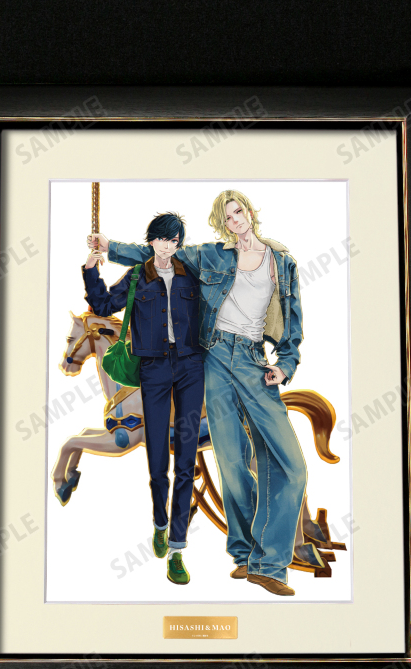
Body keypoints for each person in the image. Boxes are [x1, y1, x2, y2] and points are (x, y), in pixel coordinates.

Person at [89, 190, 324, 596]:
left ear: (250, 212)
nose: (235, 220)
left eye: (238, 212)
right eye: (226, 217)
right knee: (231, 462)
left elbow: (293, 321)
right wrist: (109, 248)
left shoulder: (281, 261)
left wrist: (285, 364)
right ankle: (246, 555)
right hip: (212, 358)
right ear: (222, 224)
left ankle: (270, 562)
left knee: (292, 466)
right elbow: (156, 255)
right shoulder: (212, 256)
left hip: (252, 360)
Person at [83, 212, 203, 586]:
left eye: (175, 240)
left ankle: (178, 550)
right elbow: (102, 306)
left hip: (191, 368)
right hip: (153, 369)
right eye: (162, 239)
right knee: (157, 459)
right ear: (151, 241)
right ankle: (160, 524)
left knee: (186, 461)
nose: (168, 246)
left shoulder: (191, 275)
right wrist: (91, 268)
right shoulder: (137, 276)